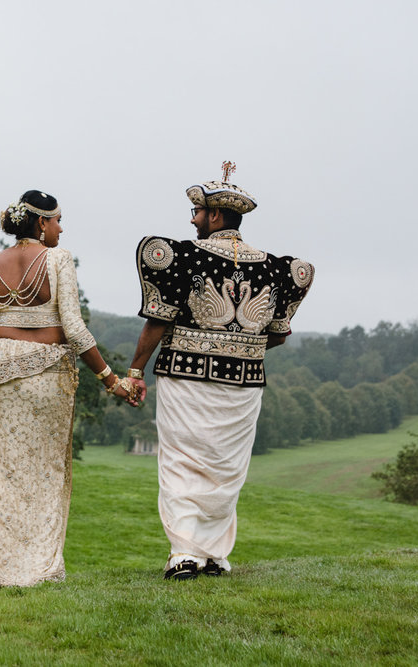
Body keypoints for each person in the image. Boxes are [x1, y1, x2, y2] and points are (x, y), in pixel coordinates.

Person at [0, 190, 139, 595]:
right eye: (58, 220)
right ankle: (36, 569)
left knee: (3, 472)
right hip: (47, 372)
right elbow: (75, 329)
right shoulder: (57, 259)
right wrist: (111, 381)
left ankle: (1, 568)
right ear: (41, 223)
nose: (62, 229)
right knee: (46, 471)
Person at [126, 164, 315, 580]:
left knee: (182, 461)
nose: (192, 219)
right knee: (226, 467)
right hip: (244, 384)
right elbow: (279, 334)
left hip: (184, 375)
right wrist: (239, 346)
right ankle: (213, 556)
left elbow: (157, 321)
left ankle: (184, 555)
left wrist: (135, 370)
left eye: (196, 212)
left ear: (214, 217)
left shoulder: (180, 256)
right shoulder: (279, 268)